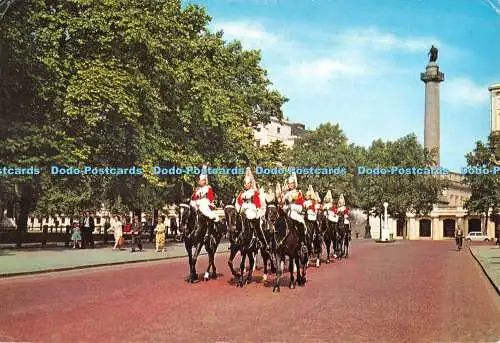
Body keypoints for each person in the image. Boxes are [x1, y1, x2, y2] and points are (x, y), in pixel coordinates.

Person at [235, 168, 268, 249]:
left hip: (252, 210)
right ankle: (236, 237)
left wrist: (258, 211)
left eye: (248, 183)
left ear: (251, 184)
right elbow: (238, 202)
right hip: (243, 210)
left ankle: (262, 242)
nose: (247, 185)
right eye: (245, 184)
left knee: (257, 226)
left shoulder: (254, 192)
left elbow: (258, 204)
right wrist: (238, 208)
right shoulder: (242, 193)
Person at [190, 166, 220, 240]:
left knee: (208, 214)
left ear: (205, 181)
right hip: (197, 203)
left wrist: (210, 203)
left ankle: (209, 231)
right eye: (199, 180)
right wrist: (193, 202)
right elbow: (193, 198)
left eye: (201, 180)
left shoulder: (208, 188)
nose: (200, 182)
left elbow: (211, 197)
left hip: (204, 203)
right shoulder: (197, 189)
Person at [282, 173, 307, 245]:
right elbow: (283, 204)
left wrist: (292, 206)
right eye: (289, 184)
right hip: (286, 214)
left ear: (294, 184)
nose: (290, 185)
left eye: (292, 183)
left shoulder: (298, 193)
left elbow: (301, 207)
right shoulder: (286, 194)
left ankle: (303, 243)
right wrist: (285, 207)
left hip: (295, 214)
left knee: (301, 224)